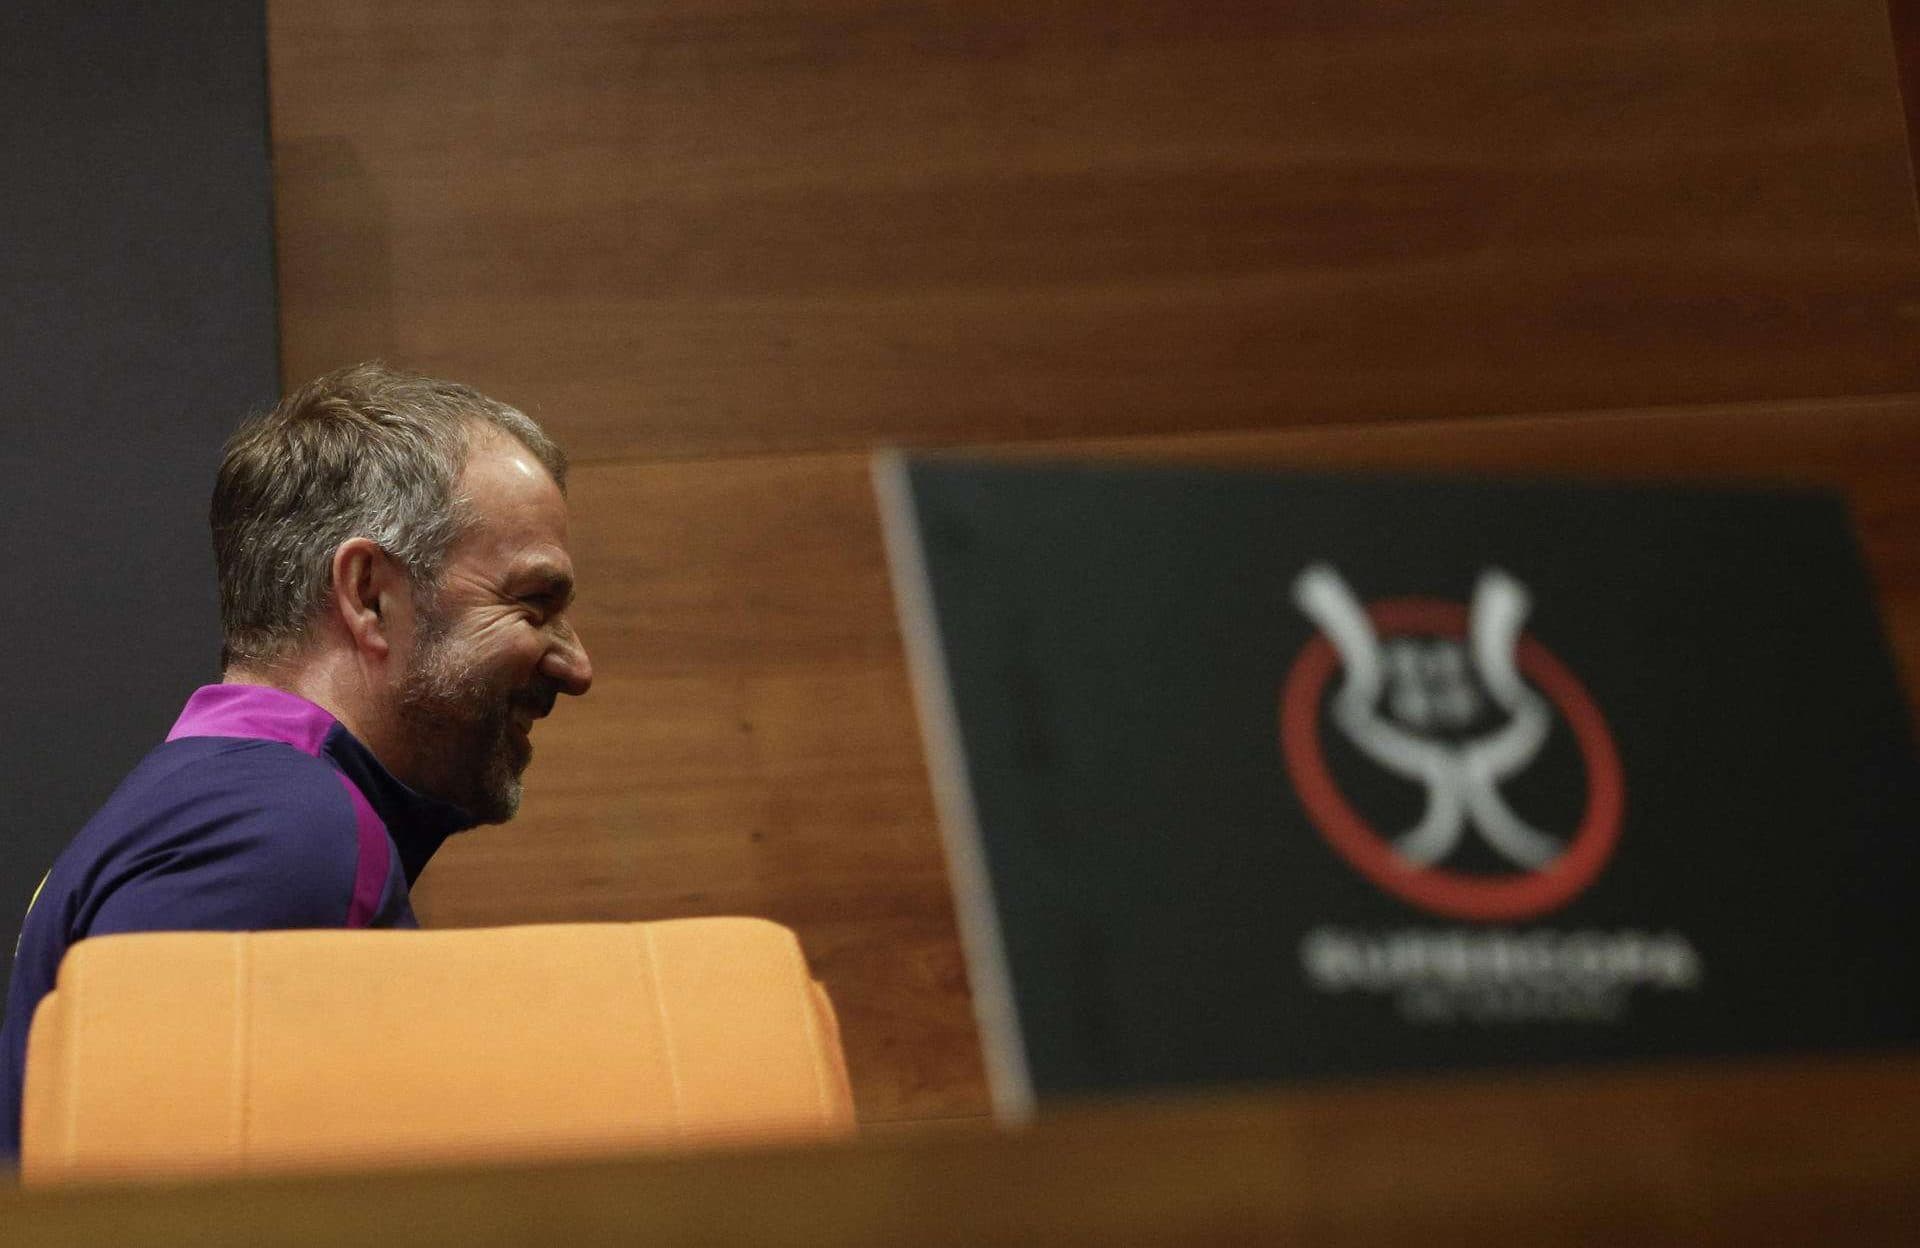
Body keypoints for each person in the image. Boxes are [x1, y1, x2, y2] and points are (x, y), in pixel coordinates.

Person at [0, 363, 593, 1159]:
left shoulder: (227, 800)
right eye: (532, 605)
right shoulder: (277, 836)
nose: (576, 666)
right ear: (370, 594)